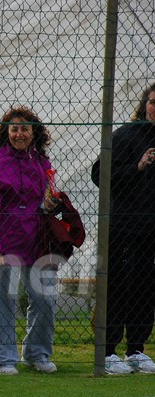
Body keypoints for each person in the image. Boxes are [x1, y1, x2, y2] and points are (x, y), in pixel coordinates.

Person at [0, 105, 61, 376]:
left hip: (38, 244)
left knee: (45, 300)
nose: (19, 134)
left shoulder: (42, 164)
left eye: (25, 129)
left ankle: (37, 353)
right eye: (14, 129)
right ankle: (2, 359)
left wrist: (51, 204)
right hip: (5, 245)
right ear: (6, 132)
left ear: (34, 133)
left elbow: (47, 201)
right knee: (3, 302)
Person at [90, 82, 155, 375]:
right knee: (117, 286)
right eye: (153, 102)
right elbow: (99, 175)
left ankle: (136, 350)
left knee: (146, 288)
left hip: (150, 231)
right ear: (144, 105)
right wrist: (137, 167)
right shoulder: (125, 135)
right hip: (123, 228)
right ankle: (107, 352)